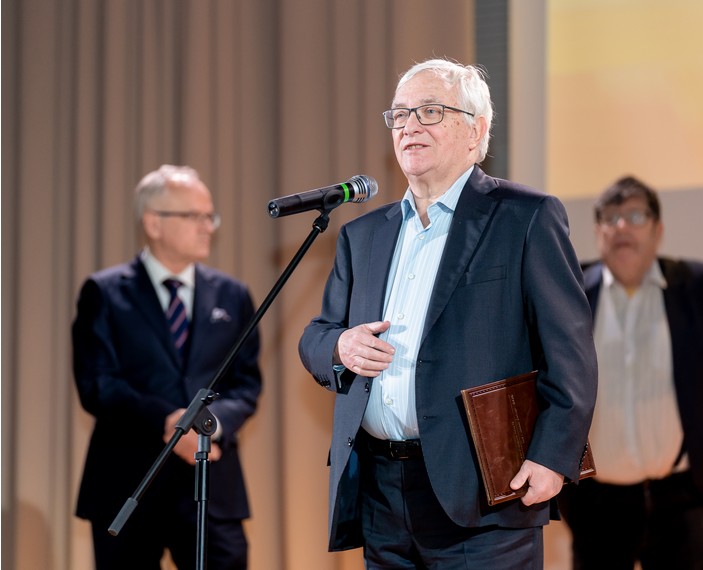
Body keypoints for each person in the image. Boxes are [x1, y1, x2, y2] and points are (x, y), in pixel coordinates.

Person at [297, 58, 598, 568]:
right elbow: (318, 334)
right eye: (400, 114)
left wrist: (552, 457)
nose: (410, 125)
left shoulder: (525, 217)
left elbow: (571, 354)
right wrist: (340, 346)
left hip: (485, 495)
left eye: (430, 111)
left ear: (475, 131)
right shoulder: (362, 235)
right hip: (381, 495)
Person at [555, 175, 703, 570]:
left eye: (635, 216)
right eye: (610, 218)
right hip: (594, 504)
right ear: (597, 232)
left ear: (658, 230)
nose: (622, 227)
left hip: (680, 500)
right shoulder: (567, 291)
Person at [71, 164, 262, 569]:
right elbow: (97, 384)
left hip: (210, 486)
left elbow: (246, 384)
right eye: (194, 216)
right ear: (153, 223)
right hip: (128, 482)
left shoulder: (232, 295)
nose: (208, 226)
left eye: (210, 216)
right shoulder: (105, 293)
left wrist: (210, 424)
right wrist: (168, 420)